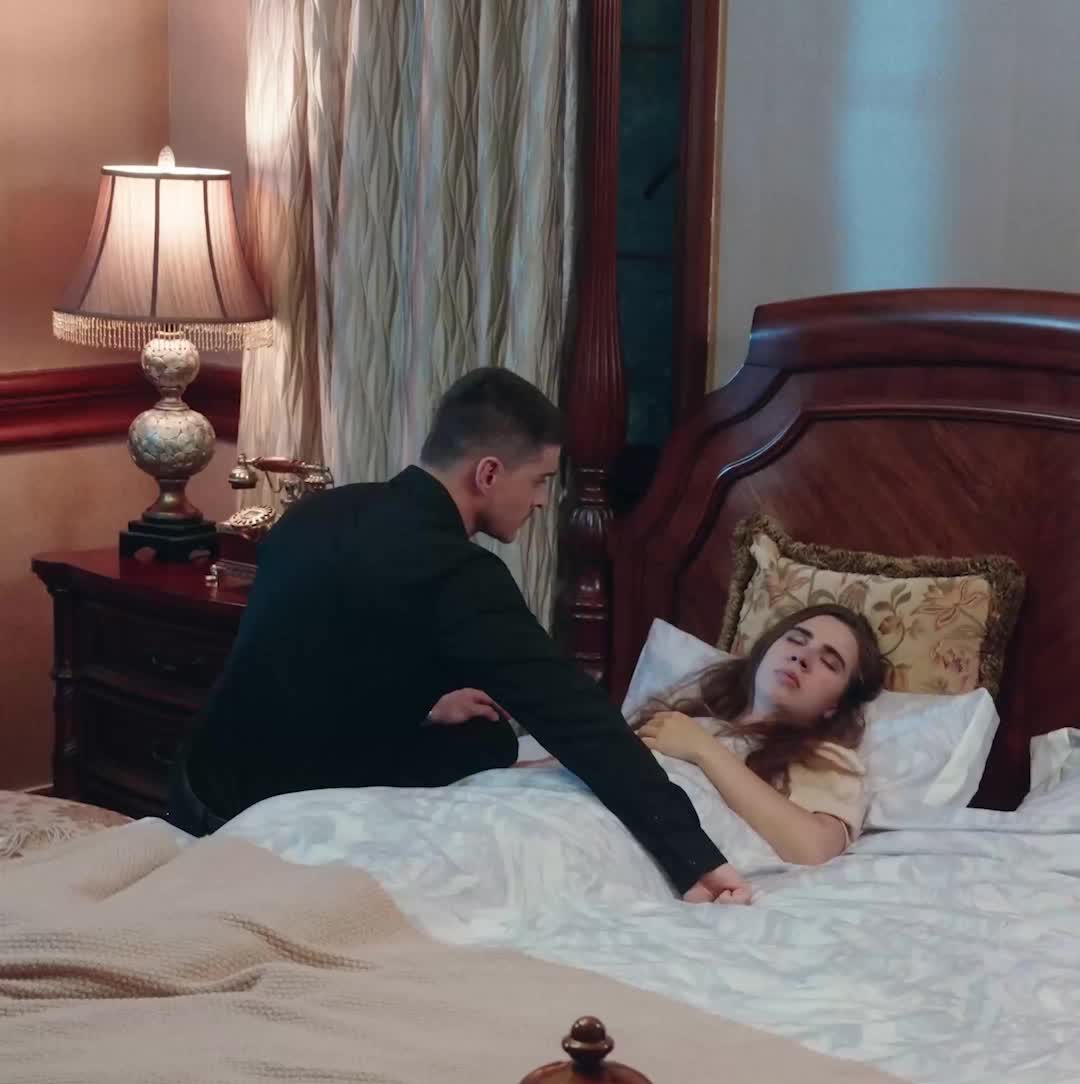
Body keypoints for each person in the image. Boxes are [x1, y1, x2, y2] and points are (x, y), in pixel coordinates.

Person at [169, 367, 749, 902]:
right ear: (488, 474)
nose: (542, 501)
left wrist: (421, 705)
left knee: (466, 719)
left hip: (197, 780)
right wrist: (693, 855)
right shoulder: (457, 573)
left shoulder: (322, 510)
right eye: (540, 480)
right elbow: (575, 716)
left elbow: (317, 660)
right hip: (267, 815)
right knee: (489, 738)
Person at [633, 605, 885, 865]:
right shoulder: (692, 717)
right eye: (795, 640)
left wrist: (703, 749)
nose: (802, 657)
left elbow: (813, 849)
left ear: (836, 705)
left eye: (829, 663)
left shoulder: (824, 759)